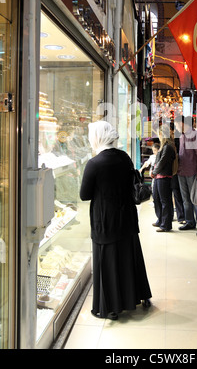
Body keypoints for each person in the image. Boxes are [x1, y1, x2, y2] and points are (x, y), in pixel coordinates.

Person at [80, 121, 152, 320]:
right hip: (126, 217)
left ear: (97, 138)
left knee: (107, 262)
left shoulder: (94, 163)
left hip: (105, 221)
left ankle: (110, 307)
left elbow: (84, 195)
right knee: (129, 258)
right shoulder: (124, 157)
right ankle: (136, 297)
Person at [174, 115, 197, 237]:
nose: (176, 126)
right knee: (186, 200)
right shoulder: (182, 136)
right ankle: (190, 222)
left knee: (196, 201)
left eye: (177, 124)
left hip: (193, 173)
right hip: (181, 172)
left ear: (183, 123)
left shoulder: (196, 135)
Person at [151, 127, 176, 232]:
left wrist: (154, 172)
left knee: (165, 200)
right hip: (158, 176)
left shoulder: (168, 147)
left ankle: (166, 224)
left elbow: (162, 161)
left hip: (164, 176)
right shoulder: (162, 146)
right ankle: (161, 219)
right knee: (156, 198)